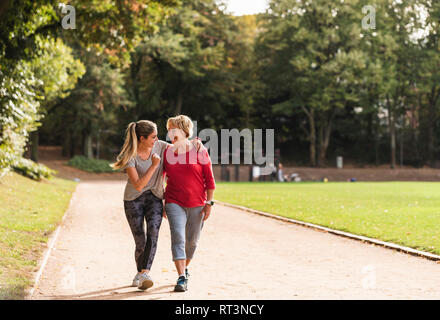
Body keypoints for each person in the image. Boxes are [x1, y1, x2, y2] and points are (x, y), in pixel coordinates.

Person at [162, 115, 216, 292]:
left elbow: (209, 179)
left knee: (191, 242)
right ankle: (181, 277)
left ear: (184, 131)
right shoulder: (167, 152)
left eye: (174, 129)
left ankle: (185, 268)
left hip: (197, 203)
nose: (170, 133)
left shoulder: (199, 150)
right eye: (169, 129)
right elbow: (159, 177)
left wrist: (209, 203)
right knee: (178, 236)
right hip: (173, 201)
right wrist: (161, 199)